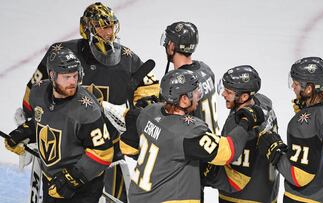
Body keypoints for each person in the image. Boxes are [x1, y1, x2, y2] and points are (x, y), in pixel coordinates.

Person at [20, 2, 160, 202]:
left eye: (111, 26)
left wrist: (144, 106)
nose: (108, 32)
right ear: (87, 28)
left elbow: (149, 89)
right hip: (65, 152)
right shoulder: (62, 54)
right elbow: (33, 95)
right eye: (102, 26)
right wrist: (32, 128)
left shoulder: (127, 58)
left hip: (110, 152)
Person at [121, 68, 265, 202]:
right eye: (195, 91)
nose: (199, 95)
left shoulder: (150, 111)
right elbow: (228, 151)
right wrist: (246, 122)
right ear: (184, 100)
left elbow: (129, 148)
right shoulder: (189, 132)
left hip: (138, 196)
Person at [5, 47, 115, 202]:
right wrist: (24, 133)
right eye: (66, 77)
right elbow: (43, 121)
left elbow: (103, 152)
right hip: (51, 179)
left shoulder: (87, 110)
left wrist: (72, 178)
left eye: (75, 76)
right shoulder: (38, 93)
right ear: (52, 75)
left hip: (83, 187)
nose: (72, 82)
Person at [258, 57, 323, 202]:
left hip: (306, 199)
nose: (293, 87)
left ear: (309, 89)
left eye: (296, 84)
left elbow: (298, 177)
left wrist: (275, 151)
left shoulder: (302, 124)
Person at [202, 65, 280, 203]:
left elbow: (236, 178)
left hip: (242, 198)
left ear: (244, 96)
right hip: (268, 191)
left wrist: (202, 172)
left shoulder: (240, 125)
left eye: (228, 92)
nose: (223, 94)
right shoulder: (263, 102)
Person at [160, 21, 220, 134]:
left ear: (171, 46)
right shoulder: (206, 69)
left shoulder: (178, 84)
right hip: (212, 140)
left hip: (195, 143)